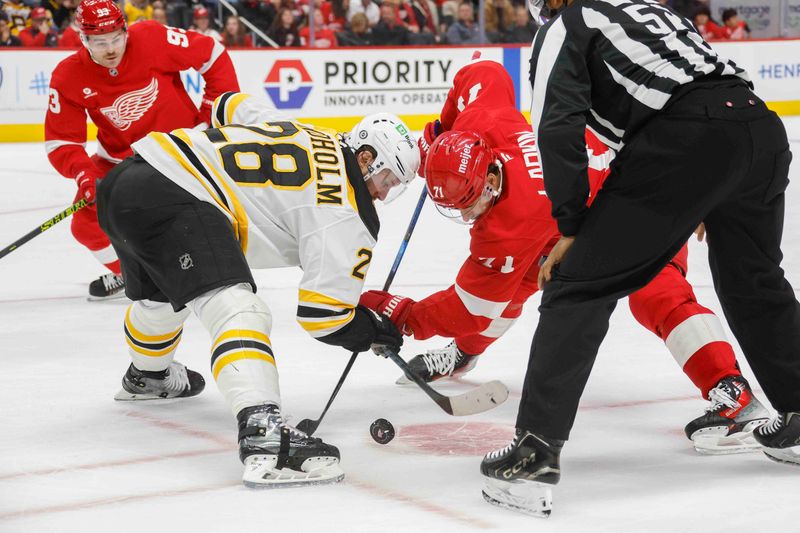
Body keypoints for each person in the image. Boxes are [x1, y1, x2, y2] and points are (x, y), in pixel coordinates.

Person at [480, 0, 798, 516]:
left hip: (690, 140)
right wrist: (702, 190)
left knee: (577, 284)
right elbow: (699, 90)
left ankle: (533, 454)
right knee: (755, 281)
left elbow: (558, 130)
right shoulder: (647, 7)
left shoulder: (568, 25)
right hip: (758, 130)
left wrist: (572, 226)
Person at [360, 57, 769, 456]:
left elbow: (471, 309)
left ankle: (733, 395)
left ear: (488, 178)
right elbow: (483, 72)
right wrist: (446, 125)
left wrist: (400, 315)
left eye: (470, 203)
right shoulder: (485, 122)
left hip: (649, 194)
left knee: (655, 293)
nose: (467, 215)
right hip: (584, 203)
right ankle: (463, 354)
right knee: (521, 281)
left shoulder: (508, 227)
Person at [95, 92, 419, 487]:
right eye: (387, 180)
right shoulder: (345, 213)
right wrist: (369, 330)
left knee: (163, 298)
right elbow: (323, 318)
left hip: (128, 180)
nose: (384, 194)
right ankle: (264, 437)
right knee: (238, 309)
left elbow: (227, 104)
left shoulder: (309, 131)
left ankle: (148, 375)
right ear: (366, 159)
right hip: (180, 200)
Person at [44, 0, 239, 300]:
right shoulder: (68, 75)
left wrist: (210, 114)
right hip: (121, 160)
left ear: (125, 31)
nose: (110, 49)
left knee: (201, 218)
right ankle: (132, 273)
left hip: (180, 149)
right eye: (99, 42)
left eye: (115, 39)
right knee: (86, 225)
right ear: (83, 39)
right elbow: (62, 141)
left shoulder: (151, 37)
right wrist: (84, 174)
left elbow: (212, 55)